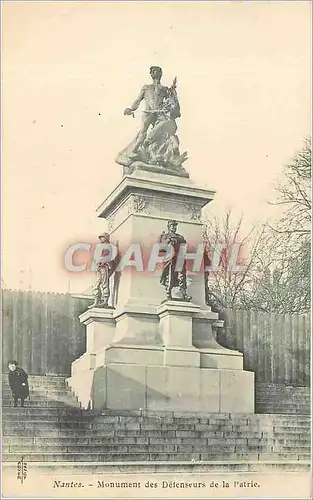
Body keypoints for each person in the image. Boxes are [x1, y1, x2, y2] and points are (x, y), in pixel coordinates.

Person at [159, 220, 191, 301]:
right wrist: (168, 241)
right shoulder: (165, 236)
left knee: (181, 276)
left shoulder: (180, 237)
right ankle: (168, 292)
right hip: (170, 258)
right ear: (169, 227)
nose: (174, 227)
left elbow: (184, 245)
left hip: (179, 258)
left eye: (175, 226)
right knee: (169, 275)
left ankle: (184, 293)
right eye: (172, 226)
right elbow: (161, 248)